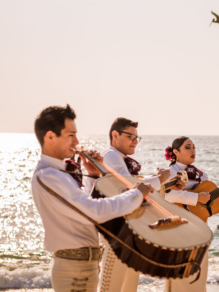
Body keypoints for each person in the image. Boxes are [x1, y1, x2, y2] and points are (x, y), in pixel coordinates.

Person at [31, 105, 154, 292]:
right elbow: (95, 212)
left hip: (83, 265)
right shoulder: (49, 176)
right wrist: (136, 194)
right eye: (71, 135)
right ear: (50, 137)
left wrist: (94, 175)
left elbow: (85, 208)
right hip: (74, 270)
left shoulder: (58, 173)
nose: (77, 140)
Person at [163, 136, 219, 292]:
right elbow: (167, 195)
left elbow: (217, 199)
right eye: (188, 147)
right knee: (178, 278)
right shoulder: (169, 173)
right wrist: (197, 197)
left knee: (198, 276)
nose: (193, 150)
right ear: (175, 152)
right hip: (178, 227)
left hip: (200, 228)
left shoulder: (202, 176)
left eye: (194, 147)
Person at [98, 117, 172, 292]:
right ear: (115, 135)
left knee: (127, 287)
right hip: (116, 234)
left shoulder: (119, 158)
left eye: (136, 137)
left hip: (128, 233)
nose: (135, 142)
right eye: (130, 136)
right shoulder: (111, 156)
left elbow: (134, 185)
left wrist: (160, 182)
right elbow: (129, 186)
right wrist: (159, 179)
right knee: (110, 287)